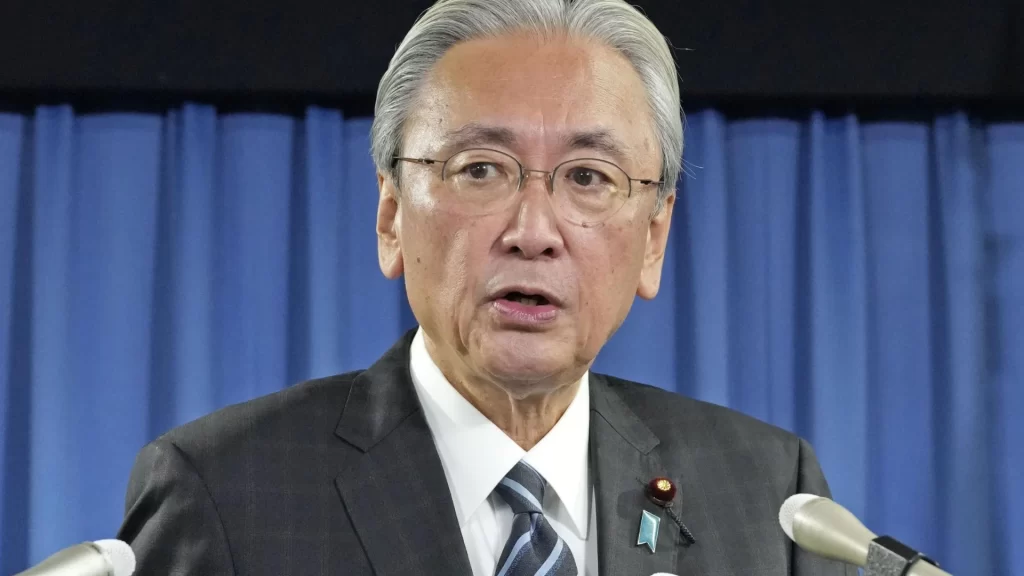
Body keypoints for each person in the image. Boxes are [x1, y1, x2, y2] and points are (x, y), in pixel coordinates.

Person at [117, 0, 856, 574]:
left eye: (589, 178)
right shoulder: (225, 493)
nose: (532, 230)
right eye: (479, 169)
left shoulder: (768, 496)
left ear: (653, 240)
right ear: (390, 216)